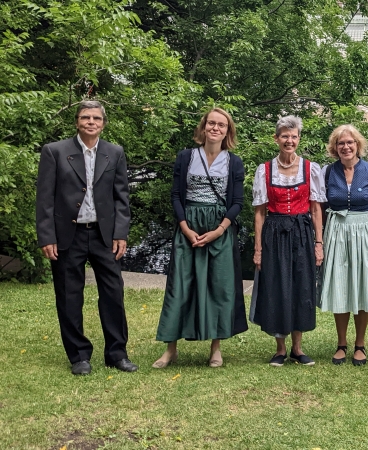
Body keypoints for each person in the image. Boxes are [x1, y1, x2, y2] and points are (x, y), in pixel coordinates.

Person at [35, 100, 137, 375]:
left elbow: (121, 197)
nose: (91, 122)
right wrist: (47, 236)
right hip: (69, 233)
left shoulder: (114, 153)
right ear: (77, 122)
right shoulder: (55, 152)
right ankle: (79, 356)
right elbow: (45, 198)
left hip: (105, 235)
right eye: (85, 117)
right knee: (69, 296)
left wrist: (120, 232)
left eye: (96, 118)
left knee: (113, 294)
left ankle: (117, 353)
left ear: (103, 123)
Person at [152, 108, 248, 369]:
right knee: (180, 286)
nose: (216, 128)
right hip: (189, 227)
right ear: (203, 127)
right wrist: (184, 226)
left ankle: (216, 348)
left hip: (219, 229)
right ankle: (170, 348)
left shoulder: (234, 162)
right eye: (211, 123)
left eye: (221, 125)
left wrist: (220, 230)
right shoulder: (186, 157)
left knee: (219, 287)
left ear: (228, 131)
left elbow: (238, 202)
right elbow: (175, 195)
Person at [251, 116, 324, 367]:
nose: (289, 140)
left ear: (299, 139)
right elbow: (259, 212)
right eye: (284, 136)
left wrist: (318, 243)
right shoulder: (265, 170)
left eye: (293, 136)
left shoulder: (310, 168)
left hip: (302, 231)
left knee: (302, 285)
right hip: (274, 231)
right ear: (276, 138)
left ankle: (298, 348)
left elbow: (316, 210)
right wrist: (258, 248)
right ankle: (280, 349)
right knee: (277, 286)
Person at [318, 125, 368, 366]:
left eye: (350, 143)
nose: (345, 147)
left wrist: (367, 230)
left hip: (365, 229)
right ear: (335, 148)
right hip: (336, 229)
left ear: (358, 145)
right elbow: (321, 206)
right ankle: (341, 343)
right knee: (340, 283)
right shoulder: (327, 171)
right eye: (340, 143)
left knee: (363, 284)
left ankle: (360, 344)